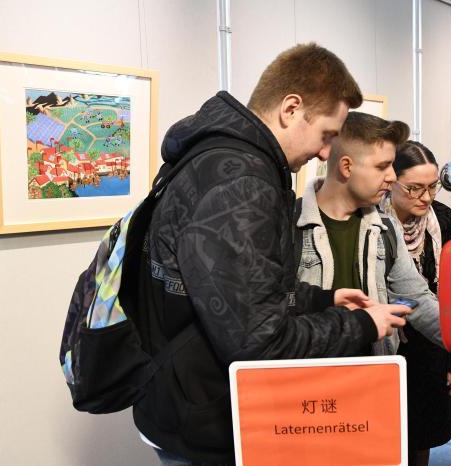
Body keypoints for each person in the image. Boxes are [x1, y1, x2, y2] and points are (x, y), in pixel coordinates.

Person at [138, 43, 412, 465]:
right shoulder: (242, 183)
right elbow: (260, 345)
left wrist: (320, 299)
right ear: (291, 108)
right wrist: (360, 324)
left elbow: (238, 294)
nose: (326, 153)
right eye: (326, 135)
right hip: (205, 416)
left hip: (185, 399)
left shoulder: (215, 158)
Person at [294, 112, 443, 356]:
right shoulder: (289, 223)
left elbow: (418, 300)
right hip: (311, 376)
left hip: (377, 374)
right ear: (347, 167)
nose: (392, 177)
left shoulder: (386, 229)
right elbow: (273, 305)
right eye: (382, 166)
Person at [382, 140, 451, 466]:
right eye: (414, 188)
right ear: (391, 180)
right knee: (388, 435)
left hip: (435, 343)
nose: (426, 197)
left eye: (432, 187)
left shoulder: (445, 222)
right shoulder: (373, 223)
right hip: (390, 344)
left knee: (423, 436)